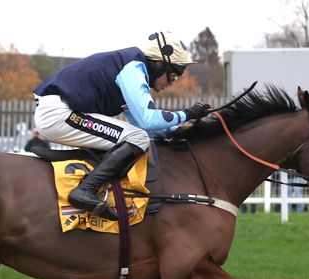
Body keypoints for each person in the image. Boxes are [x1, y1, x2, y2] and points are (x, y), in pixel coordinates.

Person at [32, 31, 205, 220]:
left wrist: (179, 130)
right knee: (137, 138)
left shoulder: (130, 68)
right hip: (58, 113)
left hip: (59, 110)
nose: (172, 82)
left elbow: (141, 122)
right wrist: (187, 115)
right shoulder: (133, 68)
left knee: (138, 135)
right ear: (158, 63)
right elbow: (148, 119)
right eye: (173, 75)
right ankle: (86, 189)